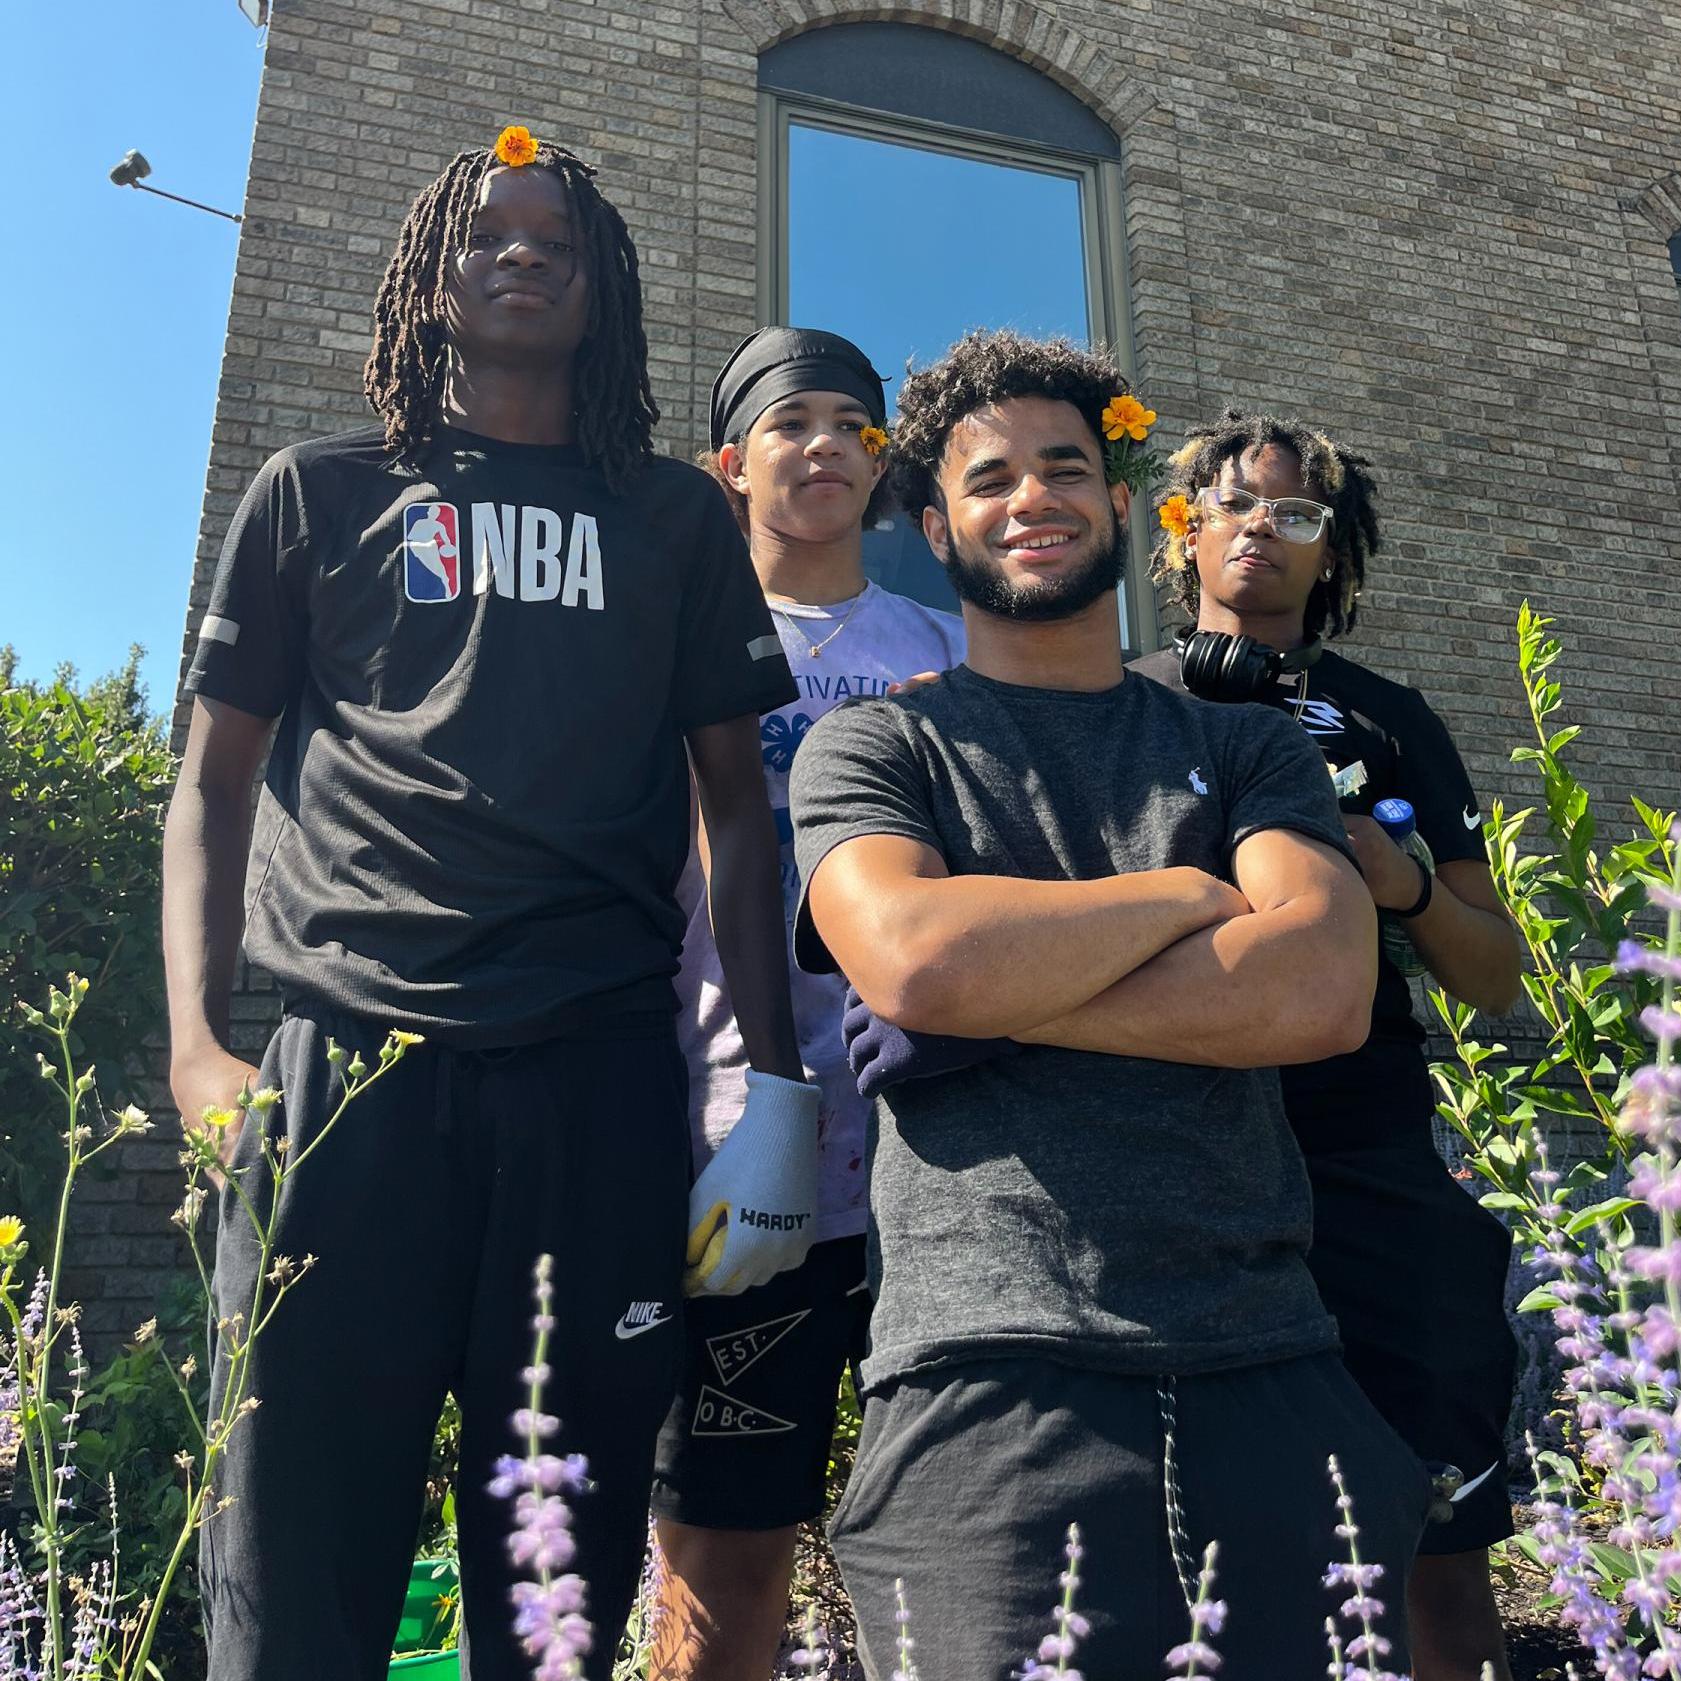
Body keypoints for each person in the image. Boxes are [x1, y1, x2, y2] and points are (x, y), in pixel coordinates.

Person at [163, 129, 821, 1681]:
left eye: (558, 241)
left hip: (594, 1081)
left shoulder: (671, 520)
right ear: (428, 276)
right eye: (488, 233)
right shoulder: (314, 493)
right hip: (346, 1080)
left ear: (603, 290)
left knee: (556, 1574)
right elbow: (211, 780)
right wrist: (196, 1047)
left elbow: (739, 807)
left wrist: (777, 1089)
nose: (523, 253)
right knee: (294, 1553)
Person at [788, 329, 1429, 1680]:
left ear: (1126, 504)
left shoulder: (1242, 740)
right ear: (930, 522)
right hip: (986, 1380)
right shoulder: (875, 744)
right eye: (991, 477)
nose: (1035, 499)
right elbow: (910, 959)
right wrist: (1195, 900)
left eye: (1067, 466)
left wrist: (983, 999)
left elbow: (1321, 986)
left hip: (1265, 1357)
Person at [1128, 409, 1523, 1681]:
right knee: (1181, 1549)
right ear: (1182, 528)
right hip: (1168, 1142)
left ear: (1331, 552)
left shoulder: (1389, 715)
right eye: (1232, 503)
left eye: (1295, 513)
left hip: (1367, 1140)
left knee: (1436, 1538)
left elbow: (1496, 975)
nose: (1260, 528)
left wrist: (1403, 886)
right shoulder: (1117, 696)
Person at [649, 327, 965, 1680]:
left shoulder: (948, 648)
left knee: (954, 1555)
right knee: (724, 1562)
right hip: (721, 1149)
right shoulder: (668, 644)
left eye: (853, 423)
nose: (826, 443)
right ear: (733, 464)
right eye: (791, 424)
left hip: (931, 1167)